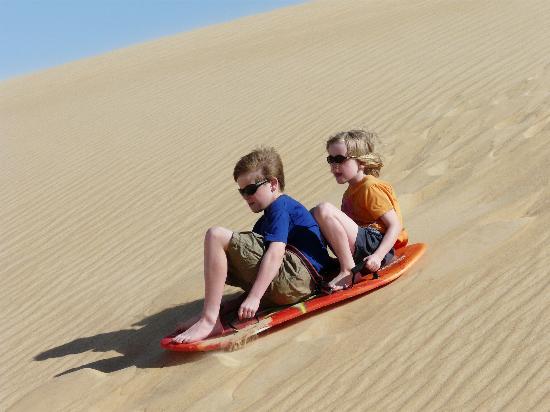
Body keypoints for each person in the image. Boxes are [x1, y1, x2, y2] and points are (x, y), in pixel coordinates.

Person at [172, 147, 331, 343]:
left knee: (216, 236)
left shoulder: (280, 206)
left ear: (273, 184)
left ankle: (209, 319)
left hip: (301, 276)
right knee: (222, 253)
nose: (246, 197)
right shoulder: (263, 222)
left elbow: (275, 253)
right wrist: (235, 303)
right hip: (296, 283)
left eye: (251, 190)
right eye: (242, 192)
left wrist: (255, 298)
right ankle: (213, 312)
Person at [313, 129, 408, 292]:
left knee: (323, 210)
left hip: (378, 248)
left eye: (340, 159)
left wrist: (378, 256)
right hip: (362, 252)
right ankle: (339, 267)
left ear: (361, 162)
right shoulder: (349, 192)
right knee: (314, 215)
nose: (335, 166)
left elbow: (395, 225)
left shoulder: (370, 187)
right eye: (331, 160)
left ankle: (348, 271)